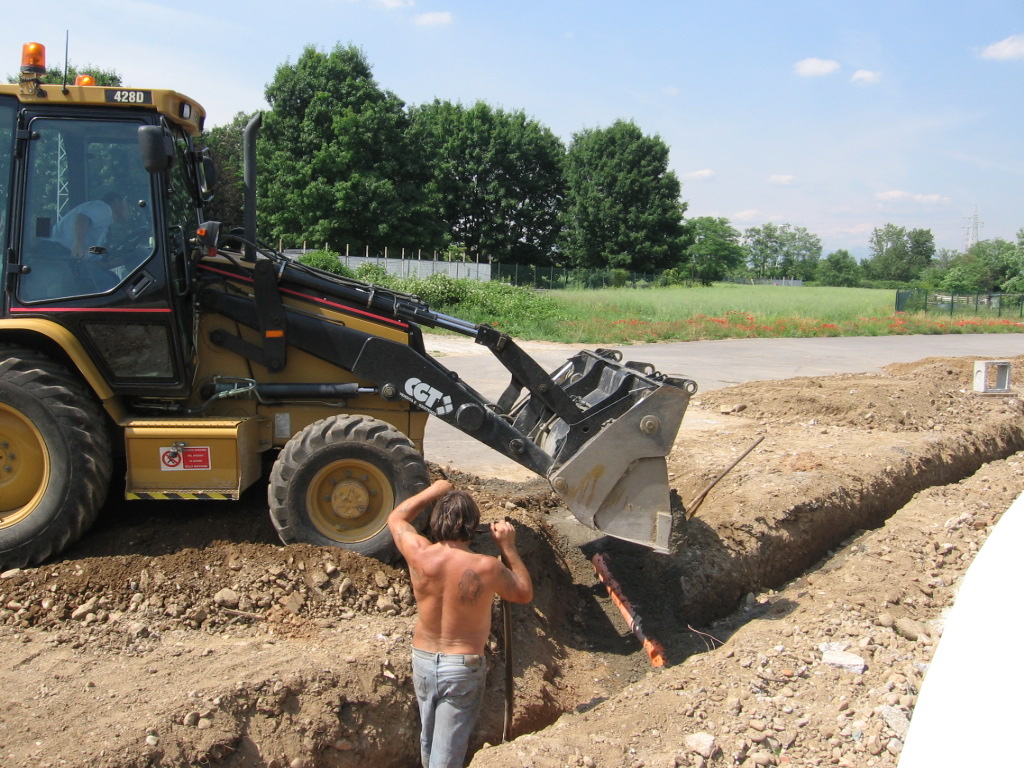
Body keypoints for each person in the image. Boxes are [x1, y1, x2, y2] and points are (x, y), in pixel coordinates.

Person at [388, 479, 533, 768]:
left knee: (429, 741)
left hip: (424, 660)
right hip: (461, 667)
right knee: (447, 753)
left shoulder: (419, 553)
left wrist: (435, 490)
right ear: (473, 525)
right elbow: (523, 592)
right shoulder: (486, 566)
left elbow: (396, 518)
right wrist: (508, 546)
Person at [51, 192, 131, 293]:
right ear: (116, 203)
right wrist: (79, 243)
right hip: (60, 255)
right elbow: (82, 217)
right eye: (126, 207)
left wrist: (123, 260)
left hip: (71, 260)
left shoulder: (103, 230)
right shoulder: (104, 208)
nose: (128, 212)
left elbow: (95, 263)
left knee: (112, 278)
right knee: (108, 282)